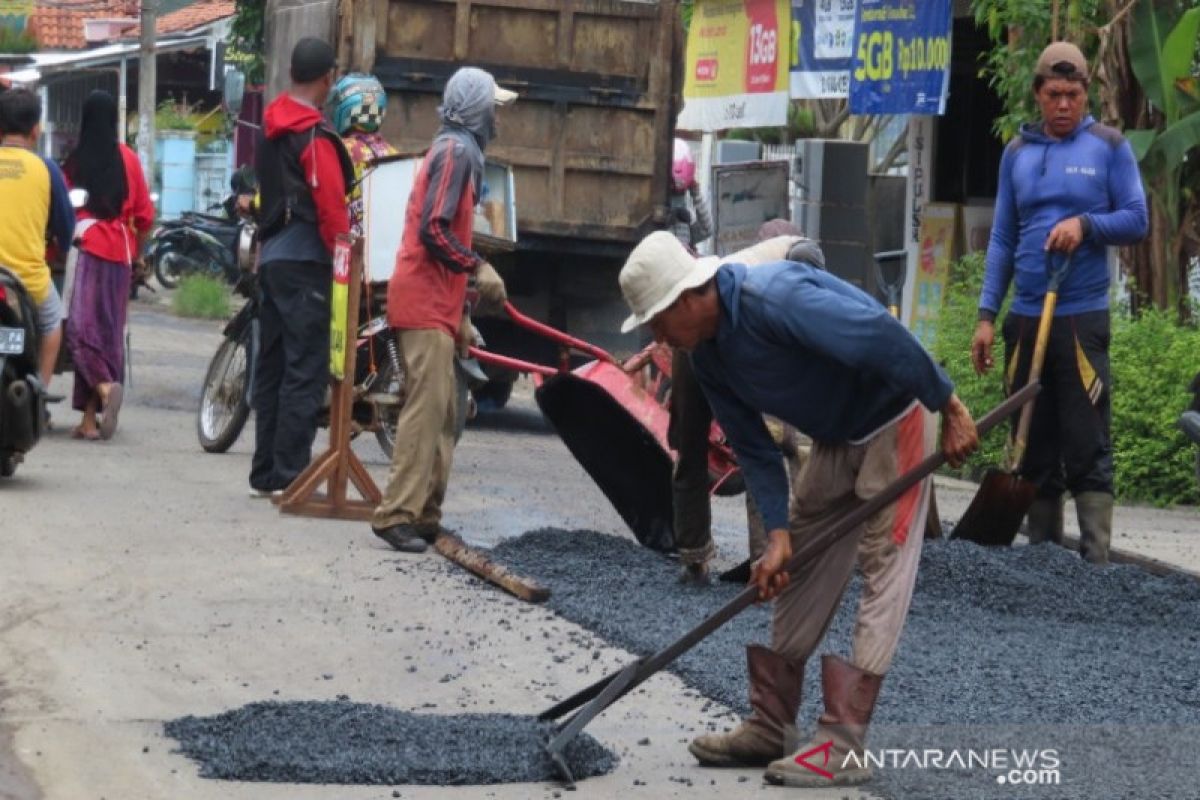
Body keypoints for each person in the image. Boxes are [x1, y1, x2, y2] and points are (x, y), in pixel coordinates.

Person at [618, 231, 979, 787]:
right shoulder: (709, 356)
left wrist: (946, 401)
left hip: (897, 414)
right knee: (798, 561)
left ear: (688, 296)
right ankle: (771, 724)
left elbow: (880, 336)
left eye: (659, 321)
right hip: (838, 433)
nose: (657, 336)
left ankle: (843, 744)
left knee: (883, 563)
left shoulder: (776, 300)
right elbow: (755, 449)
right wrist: (778, 532)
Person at [970, 41, 1148, 565]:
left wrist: (1086, 224)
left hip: (1080, 319)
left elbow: (1137, 219)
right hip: (1025, 319)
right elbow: (1002, 239)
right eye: (1054, 94)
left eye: (1073, 94)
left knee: (1086, 441)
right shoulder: (1017, 154)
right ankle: (1041, 563)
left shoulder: (1108, 147)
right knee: (1031, 444)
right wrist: (986, 315)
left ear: (1086, 93)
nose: (1064, 104)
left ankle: (1094, 567)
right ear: (1038, 95)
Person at [370, 67, 513, 553]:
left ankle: (426, 513)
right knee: (425, 412)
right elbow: (434, 229)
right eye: (493, 108)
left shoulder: (463, 152)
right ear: (476, 109)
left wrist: (464, 315)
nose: (497, 118)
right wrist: (478, 268)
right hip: (424, 300)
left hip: (442, 304)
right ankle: (396, 514)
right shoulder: (455, 152)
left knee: (449, 412)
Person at [668, 219, 826, 584]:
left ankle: (728, 560)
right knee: (751, 444)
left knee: (716, 448)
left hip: (705, 336)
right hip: (699, 342)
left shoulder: (774, 269)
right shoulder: (790, 271)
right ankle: (744, 558)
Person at [249, 37, 353, 496]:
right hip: (305, 262)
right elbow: (331, 209)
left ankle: (265, 472)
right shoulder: (314, 135)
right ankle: (290, 476)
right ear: (327, 78)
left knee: (271, 367)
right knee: (304, 368)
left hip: (270, 260)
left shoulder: (271, 129)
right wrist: (344, 259)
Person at [63, 90, 154, 441]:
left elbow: (62, 211)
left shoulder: (75, 161)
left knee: (80, 332)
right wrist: (139, 253)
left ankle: (103, 389)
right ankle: (89, 421)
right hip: (120, 255)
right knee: (108, 334)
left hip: (87, 250)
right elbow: (145, 216)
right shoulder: (128, 159)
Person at [0, 88, 75, 391]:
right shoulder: (48, 169)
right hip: (27, 281)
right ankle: (39, 393)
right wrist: (62, 249)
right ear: (35, 130)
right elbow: (66, 227)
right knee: (52, 322)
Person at [328, 72, 398, 238]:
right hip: (380, 247)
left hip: (343, 248)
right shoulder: (394, 154)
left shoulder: (336, 150)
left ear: (345, 109)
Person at [668, 138, 713, 251]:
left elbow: (707, 229)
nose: (678, 198)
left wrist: (696, 193)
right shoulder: (655, 228)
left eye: (681, 193)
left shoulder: (685, 223)